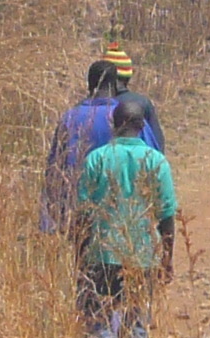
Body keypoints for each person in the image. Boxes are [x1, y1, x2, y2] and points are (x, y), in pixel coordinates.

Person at [73, 99, 179, 338]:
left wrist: (80, 253)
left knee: (100, 313)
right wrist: (167, 257)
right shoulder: (156, 162)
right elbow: (167, 215)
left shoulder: (96, 158)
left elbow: (84, 212)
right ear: (141, 126)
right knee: (135, 320)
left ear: (113, 125)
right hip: (142, 255)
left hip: (101, 253)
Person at [39, 51, 163, 240]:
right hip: (126, 213)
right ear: (115, 85)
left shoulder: (70, 118)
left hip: (80, 215)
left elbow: (55, 170)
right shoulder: (128, 115)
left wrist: (51, 219)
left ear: (89, 85)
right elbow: (154, 157)